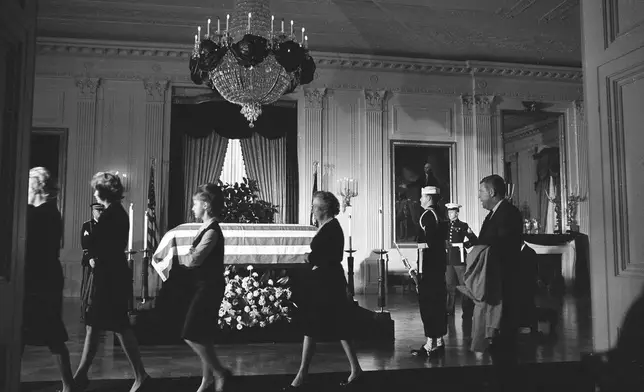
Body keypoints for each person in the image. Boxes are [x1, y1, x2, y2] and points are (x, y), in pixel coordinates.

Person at [73, 172, 150, 392]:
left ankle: (138, 375)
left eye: (96, 189)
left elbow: (98, 246)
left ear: (103, 191)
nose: (94, 193)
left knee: (107, 326)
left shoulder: (112, 215)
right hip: (111, 275)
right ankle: (81, 376)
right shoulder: (115, 213)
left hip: (109, 278)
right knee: (103, 326)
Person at [284, 191, 363, 390]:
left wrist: (310, 258)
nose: (312, 209)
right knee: (331, 327)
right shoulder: (327, 227)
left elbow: (329, 257)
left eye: (314, 206)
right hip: (325, 282)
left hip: (328, 284)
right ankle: (353, 369)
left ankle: (302, 376)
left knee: (322, 327)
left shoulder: (331, 228)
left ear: (324, 209)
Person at [22, 167, 75, 392]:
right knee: (22, 332)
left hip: (40, 278)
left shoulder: (43, 213)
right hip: (39, 276)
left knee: (51, 333)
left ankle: (68, 385)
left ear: (36, 186)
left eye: (28, 182)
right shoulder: (41, 211)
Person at [181, 184, 233, 392]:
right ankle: (207, 380)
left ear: (206, 205)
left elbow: (193, 260)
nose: (193, 207)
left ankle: (220, 372)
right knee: (203, 335)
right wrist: (191, 254)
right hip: (204, 284)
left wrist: (189, 255)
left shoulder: (211, 231)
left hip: (209, 286)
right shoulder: (205, 228)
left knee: (190, 333)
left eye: (195, 203)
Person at [476, 175, 523, 353]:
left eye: (481, 192)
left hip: (503, 281)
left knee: (505, 338)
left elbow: (502, 247)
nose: (479, 196)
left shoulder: (508, 213)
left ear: (492, 192)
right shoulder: (492, 216)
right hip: (493, 280)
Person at [410, 186, 448, 358]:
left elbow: (428, 245)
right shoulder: (441, 215)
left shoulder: (427, 216)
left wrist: (419, 271)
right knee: (439, 304)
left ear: (429, 198)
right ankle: (439, 341)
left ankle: (429, 345)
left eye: (422, 197)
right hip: (439, 267)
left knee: (428, 305)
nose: (420, 200)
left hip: (429, 268)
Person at [444, 203, 477, 321]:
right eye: (448, 212)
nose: (449, 214)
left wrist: (463, 245)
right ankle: (449, 310)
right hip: (448, 259)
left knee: (464, 286)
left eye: (452, 212)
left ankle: (467, 311)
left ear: (457, 213)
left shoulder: (463, 225)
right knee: (449, 287)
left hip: (459, 259)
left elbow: (474, 239)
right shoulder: (445, 225)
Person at [80, 203, 104, 322]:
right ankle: (85, 313)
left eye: (101, 210)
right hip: (90, 261)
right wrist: (90, 258)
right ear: (93, 212)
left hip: (102, 261)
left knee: (101, 288)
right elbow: (85, 244)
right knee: (87, 288)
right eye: (98, 211)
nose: (100, 213)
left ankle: (100, 313)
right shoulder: (87, 226)